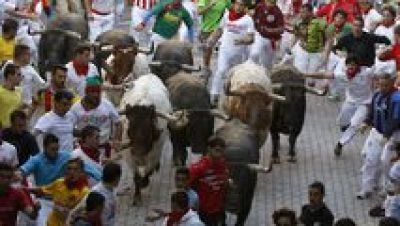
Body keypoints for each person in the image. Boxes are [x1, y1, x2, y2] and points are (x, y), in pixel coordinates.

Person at [18, 133, 101, 226]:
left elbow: (86, 167)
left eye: (57, 149)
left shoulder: (66, 156)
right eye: (52, 149)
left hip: (62, 199)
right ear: (44, 148)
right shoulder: (36, 160)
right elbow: (22, 172)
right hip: (44, 200)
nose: (55, 152)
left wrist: (102, 179)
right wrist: (19, 182)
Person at [304, 55, 376, 156]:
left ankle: (340, 144)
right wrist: (305, 74)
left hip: (365, 103)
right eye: (349, 65)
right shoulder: (342, 75)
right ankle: (344, 126)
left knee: (355, 124)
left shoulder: (366, 73)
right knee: (343, 121)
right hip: (350, 101)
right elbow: (324, 75)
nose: (351, 67)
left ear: (358, 66)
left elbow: (380, 74)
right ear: (346, 66)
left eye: (353, 65)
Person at [358, 72, 400, 199]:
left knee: (386, 162)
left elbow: (396, 119)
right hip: (376, 133)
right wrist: (366, 122)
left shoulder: (397, 98)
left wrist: (387, 135)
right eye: (380, 85)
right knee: (370, 160)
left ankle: (387, 188)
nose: (382, 88)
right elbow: (372, 111)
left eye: (385, 86)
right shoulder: (377, 94)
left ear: (392, 83)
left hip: (393, 136)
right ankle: (366, 188)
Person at [208, 0, 255, 104]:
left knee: (235, 76)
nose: (238, 7)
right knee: (221, 70)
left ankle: (234, 99)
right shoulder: (226, 15)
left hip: (240, 54)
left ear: (245, 7)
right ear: (233, 4)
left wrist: (242, 40)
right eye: (237, 4)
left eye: (241, 5)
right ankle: (214, 95)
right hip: (225, 50)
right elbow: (219, 30)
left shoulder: (248, 20)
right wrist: (212, 39)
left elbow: (251, 38)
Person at [69, 76, 122, 158]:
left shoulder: (107, 104)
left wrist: (117, 140)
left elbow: (118, 123)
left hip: (104, 149)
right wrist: (85, 135)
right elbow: (69, 128)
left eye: (98, 92)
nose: (96, 95)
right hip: (83, 150)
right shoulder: (76, 108)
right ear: (86, 93)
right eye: (92, 92)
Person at [28, 158, 90, 225]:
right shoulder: (59, 183)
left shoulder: (85, 192)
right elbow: (42, 191)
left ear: (81, 172)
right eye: (69, 168)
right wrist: (25, 189)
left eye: (75, 169)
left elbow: (86, 215)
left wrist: (74, 216)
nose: (72, 172)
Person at [188, 136, 229, 226]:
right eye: (217, 150)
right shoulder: (198, 168)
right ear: (209, 149)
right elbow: (186, 186)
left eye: (221, 151)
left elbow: (224, 183)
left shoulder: (222, 166)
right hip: (203, 211)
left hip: (218, 210)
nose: (219, 154)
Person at [197, 0, 231, 79]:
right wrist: (210, 5)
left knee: (209, 45)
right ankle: (206, 68)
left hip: (219, 27)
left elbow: (232, 9)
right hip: (206, 28)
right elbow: (199, 12)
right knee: (206, 49)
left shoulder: (226, 1)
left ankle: (223, 69)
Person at [250, 0, 284, 69]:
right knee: (254, 54)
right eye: (268, 1)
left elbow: (281, 29)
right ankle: (254, 71)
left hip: (271, 40)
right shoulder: (259, 7)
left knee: (267, 65)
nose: (270, 4)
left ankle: (264, 74)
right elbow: (253, 18)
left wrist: (271, 30)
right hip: (260, 36)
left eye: (272, 2)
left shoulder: (277, 12)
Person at [0, 63, 24, 128]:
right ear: (10, 76)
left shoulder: (19, 91)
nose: (21, 78)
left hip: (16, 132)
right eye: (18, 75)